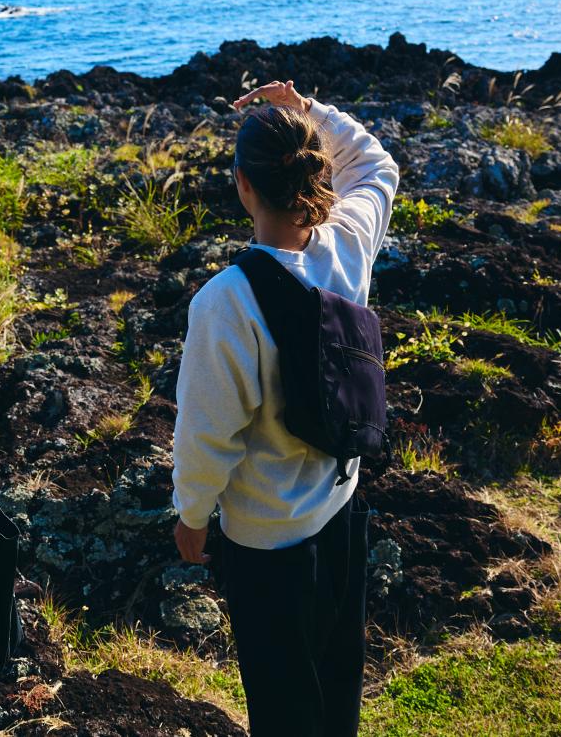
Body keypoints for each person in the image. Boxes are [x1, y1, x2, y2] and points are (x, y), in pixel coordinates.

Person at [171, 79, 400, 737]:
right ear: (314, 169)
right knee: (337, 684)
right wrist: (308, 110)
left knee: (281, 704)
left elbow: (206, 433)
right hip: (343, 512)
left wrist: (190, 515)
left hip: (268, 544)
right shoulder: (346, 246)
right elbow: (376, 165)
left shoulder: (224, 302)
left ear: (242, 184)